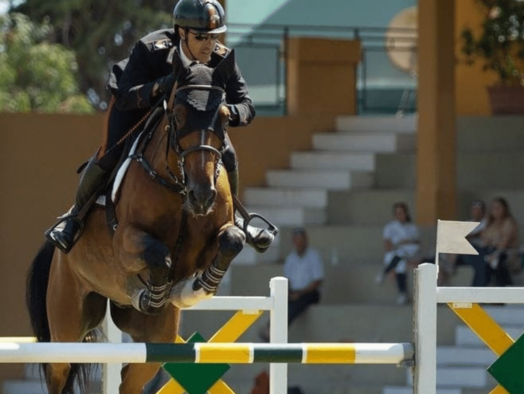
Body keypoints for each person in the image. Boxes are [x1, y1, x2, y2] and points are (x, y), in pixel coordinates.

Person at [45, 0, 275, 254]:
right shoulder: (151, 49)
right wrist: (159, 86)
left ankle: (234, 218)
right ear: (182, 33)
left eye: (214, 36)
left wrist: (228, 112)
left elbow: (247, 105)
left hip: (193, 121)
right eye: (201, 37)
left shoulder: (221, 59)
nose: (210, 44)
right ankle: (75, 218)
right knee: (110, 152)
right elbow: (124, 96)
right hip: (138, 107)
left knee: (227, 154)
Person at [259, 229, 323, 342]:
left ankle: (276, 333)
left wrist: (300, 293)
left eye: (301, 240)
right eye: (297, 241)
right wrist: (288, 293)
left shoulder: (313, 256)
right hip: (294, 291)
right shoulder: (291, 258)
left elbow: (318, 280)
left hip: (310, 293)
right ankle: (270, 328)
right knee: (280, 301)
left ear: (306, 241)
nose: (299, 243)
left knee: (296, 304)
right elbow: (287, 280)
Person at [463, 197, 519, 287]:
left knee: (487, 265)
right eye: (493, 208)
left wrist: (495, 252)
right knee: (479, 262)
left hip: (502, 253)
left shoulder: (508, 223)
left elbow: (504, 242)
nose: (495, 210)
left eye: (498, 208)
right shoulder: (490, 223)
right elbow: (484, 240)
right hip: (487, 252)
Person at [377, 202, 421, 305]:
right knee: (401, 264)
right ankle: (402, 293)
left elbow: (418, 243)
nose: (400, 215)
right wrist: (399, 243)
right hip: (394, 253)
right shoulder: (389, 227)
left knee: (403, 255)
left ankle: (385, 272)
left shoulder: (412, 227)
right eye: (397, 213)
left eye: (402, 213)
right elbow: (387, 246)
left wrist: (408, 242)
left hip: (409, 252)